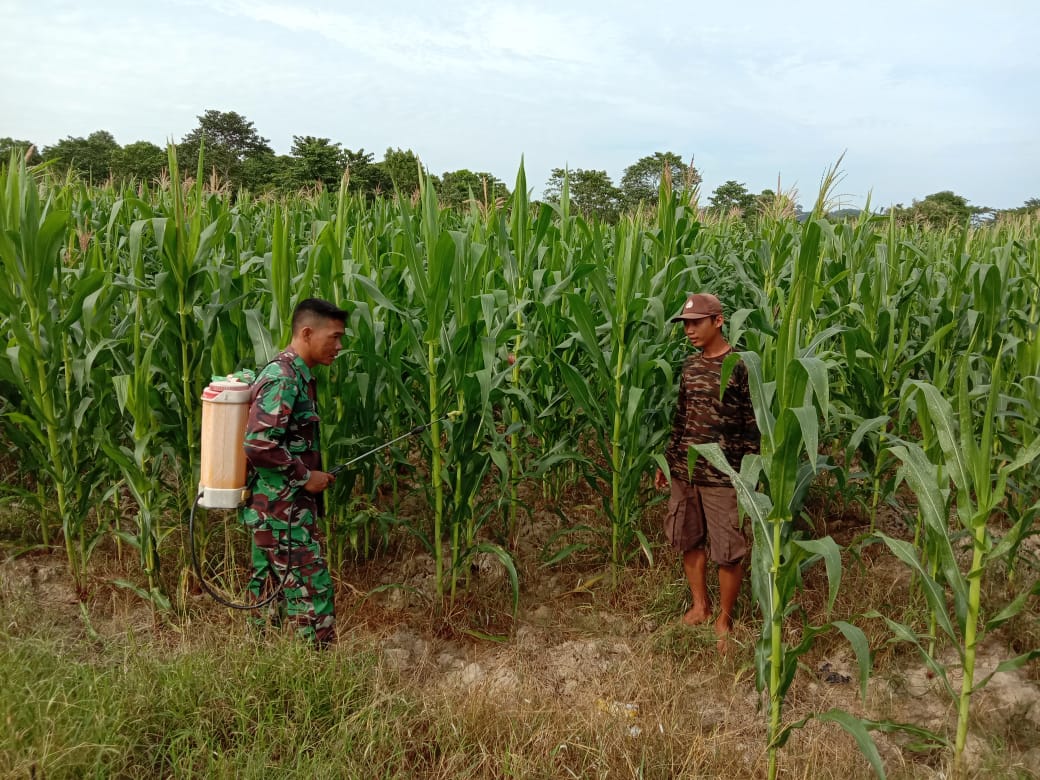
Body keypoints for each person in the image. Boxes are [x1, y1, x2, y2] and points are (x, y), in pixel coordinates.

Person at [239, 297, 347, 648]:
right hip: (281, 514)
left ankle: (264, 673)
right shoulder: (284, 379)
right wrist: (305, 476)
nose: (339, 346)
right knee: (314, 597)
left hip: (272, 511)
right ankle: (319, 681)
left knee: (267, 598)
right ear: (306, 332)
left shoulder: (295, 376)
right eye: (334, 337)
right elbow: (258, 443)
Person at [654, 292, 758, 649]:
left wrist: (750, 472)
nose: (689, 331)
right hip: (687, 469)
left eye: (696, 323)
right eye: (685, 325)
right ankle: (700, 606)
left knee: (728, 548)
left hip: (724, 473)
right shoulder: (690, 367)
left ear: (718, 321)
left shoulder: (742, 367)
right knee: (689, 538)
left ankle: (724, 620)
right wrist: (669, 461)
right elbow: (680, 418)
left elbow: (752, 424)